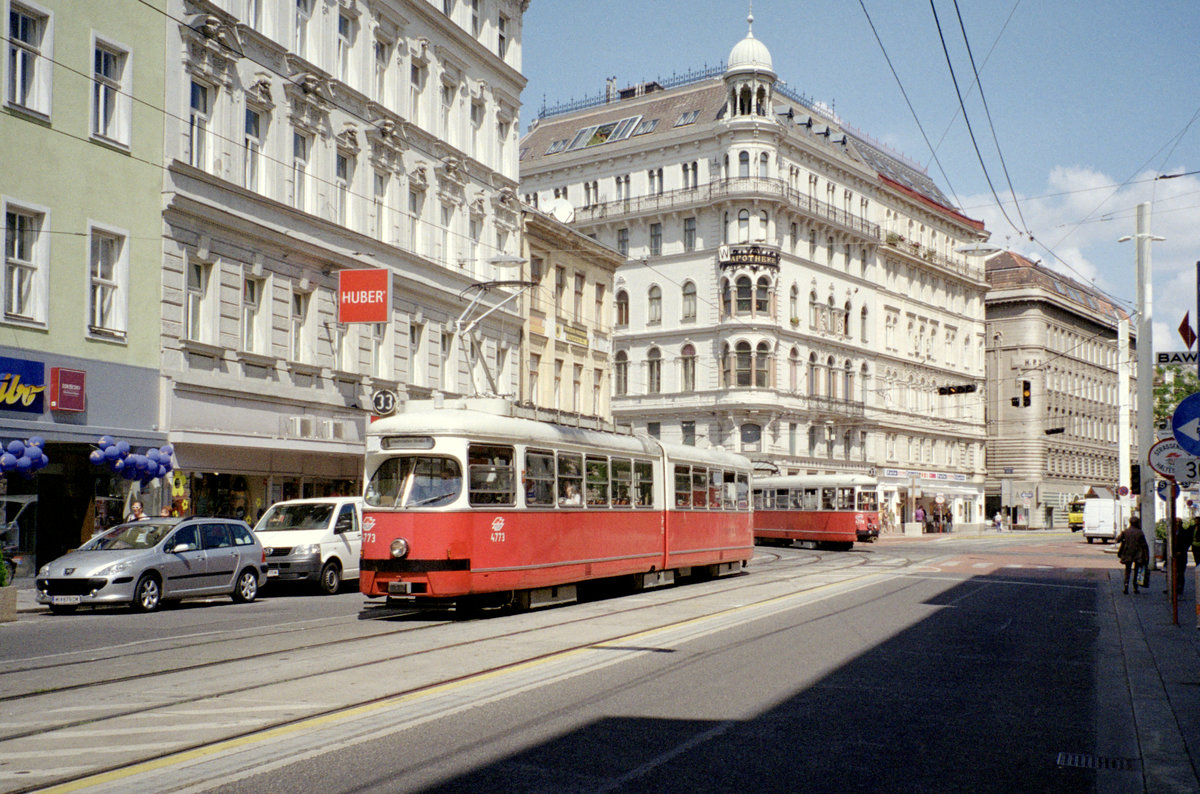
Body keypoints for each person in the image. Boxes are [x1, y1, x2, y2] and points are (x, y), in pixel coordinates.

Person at [1115, 517, 1149, 594]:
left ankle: (1126, 586)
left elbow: (1118, 540)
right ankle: (1135, 587)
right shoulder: (1140, 532)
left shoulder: (1126, 531)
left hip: (1127, 553)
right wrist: (1146, 556)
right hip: (1137, 553)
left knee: (1127, 570)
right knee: (1136, 570)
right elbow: (1144, 545)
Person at [1171, 519, 1194, 596]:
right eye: (1176, 523)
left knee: (1180, 573)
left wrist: (1181, 551)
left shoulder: (1184, 532)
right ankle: (1173, 587)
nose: (1177, 524)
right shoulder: (1172, 532)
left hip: (1181, 556)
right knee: (1173, 572)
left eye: (1178, 523)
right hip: (1173, 555)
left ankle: (1180, 588)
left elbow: (1187, 543)